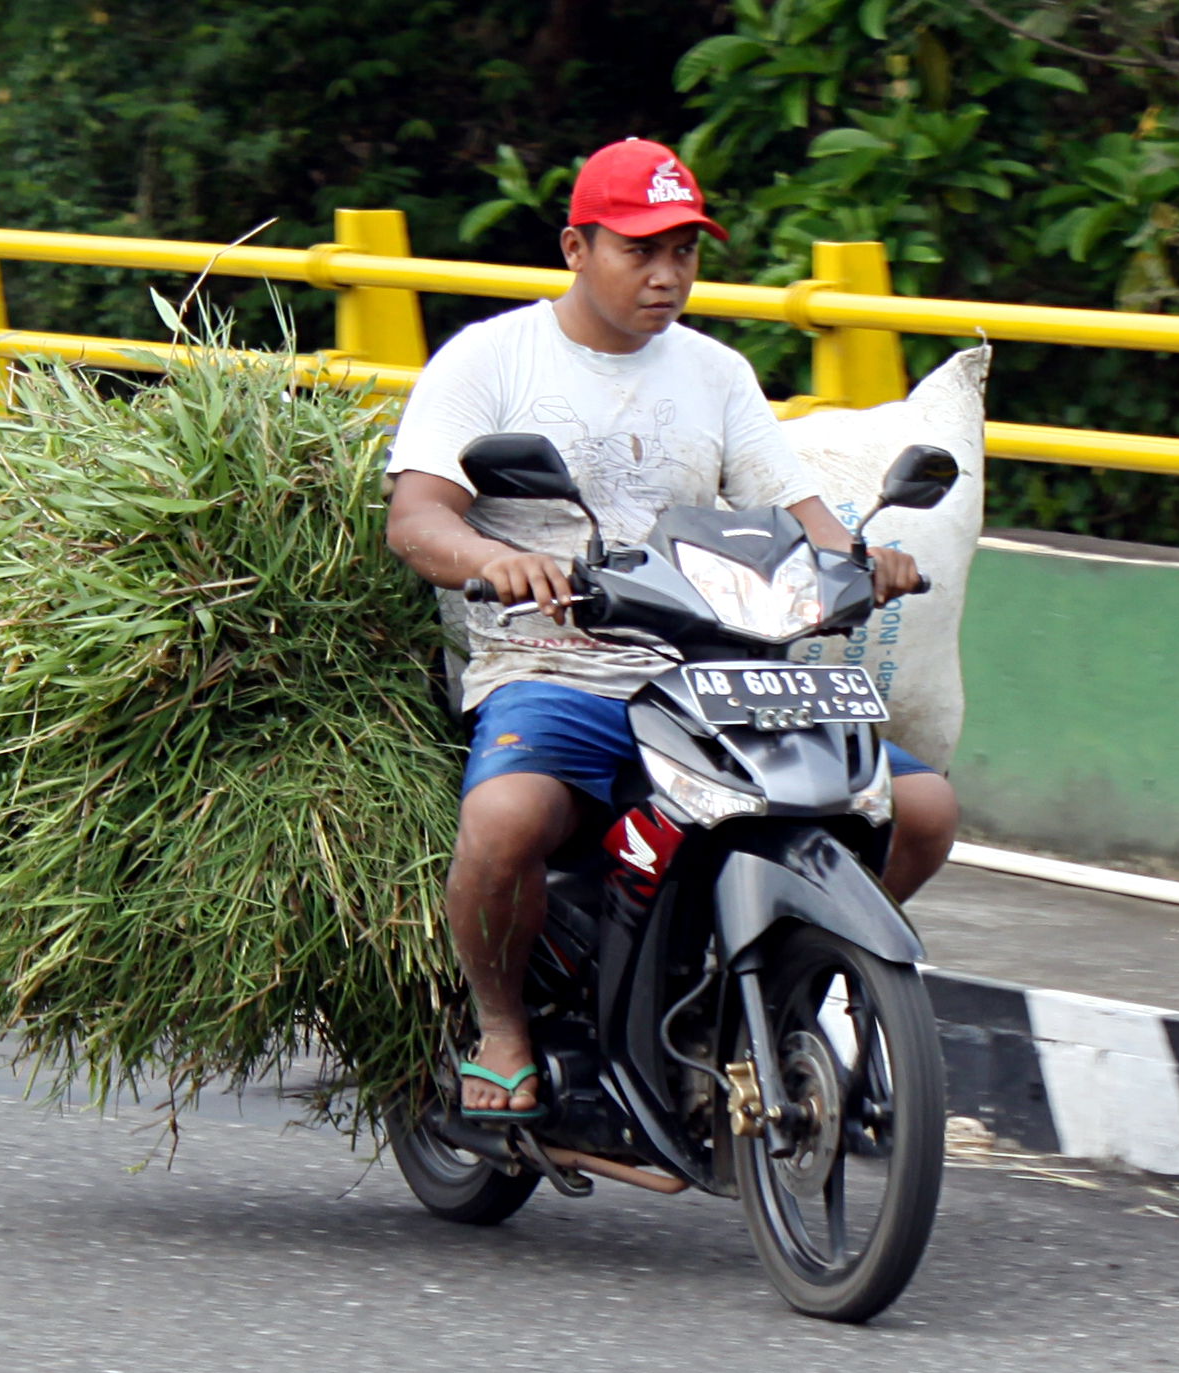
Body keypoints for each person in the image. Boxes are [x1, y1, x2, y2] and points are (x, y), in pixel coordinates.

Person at [384, 137, 960, 1121]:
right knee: (505, 821)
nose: (666, 275)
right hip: (554, 663)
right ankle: (502, 1030)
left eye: (683, 252)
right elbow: (417, 518)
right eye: (639, 250)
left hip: (709, 671)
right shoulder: (490, 360)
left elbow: (802, 514)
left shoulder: (715, 372)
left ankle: (776, 990)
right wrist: (494, 560)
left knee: (923, 808)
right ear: (576, 247)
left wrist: (862, 562)